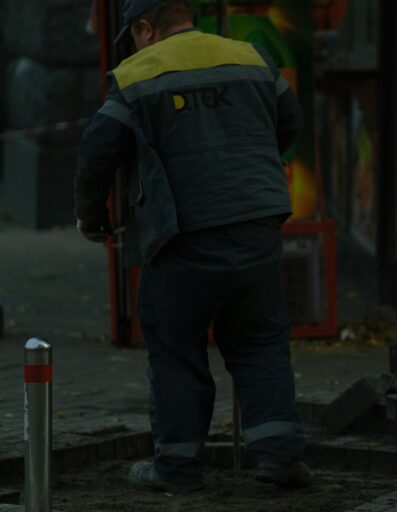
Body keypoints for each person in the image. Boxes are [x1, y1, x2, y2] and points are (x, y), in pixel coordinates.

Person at [74, 0, 309, 492]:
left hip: (182, 233)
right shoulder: (251, 56)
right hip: (256, 223)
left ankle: (176, 468)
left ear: (144, 27)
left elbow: (97, 153)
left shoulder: (137, 73)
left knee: (176, 348)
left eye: (134, 35)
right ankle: (279, 459)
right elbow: (290, 122)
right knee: (261, 343)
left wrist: (94, 219)